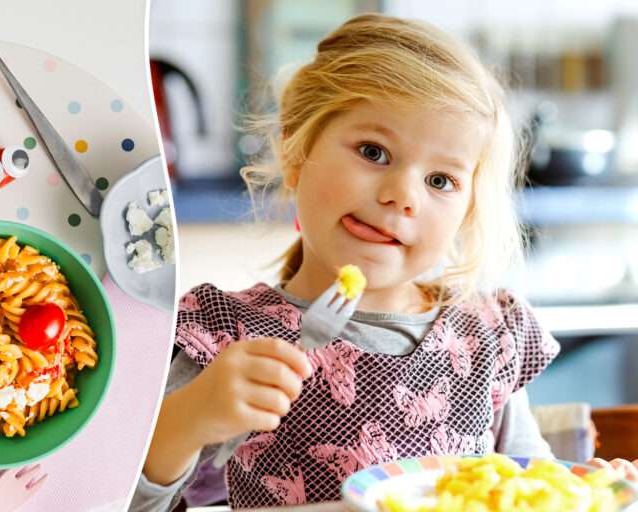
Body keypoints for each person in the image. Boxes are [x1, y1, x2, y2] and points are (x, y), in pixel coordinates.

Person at [131, 13, 638, 510]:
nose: (401, 196)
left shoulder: (487, 335)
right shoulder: (225, 336)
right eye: (374, 152)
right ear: (295, 153)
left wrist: (582, 491)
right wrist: (189, 419)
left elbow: (530, 484)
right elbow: (118, 501)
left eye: (440, 181)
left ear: (465, 214)